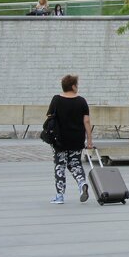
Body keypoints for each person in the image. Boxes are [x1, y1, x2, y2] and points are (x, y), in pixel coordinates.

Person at [46, 74, 93, 204]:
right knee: (75, 164)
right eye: (76, 85)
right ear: (73, 86)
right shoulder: (81, 101)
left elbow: (50, 117)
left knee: (60, 166)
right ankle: (82, 183)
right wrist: (89, 140)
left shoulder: (56, 100)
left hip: (59, 139)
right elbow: (87, 121)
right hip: (77, 139)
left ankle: (59, 196)